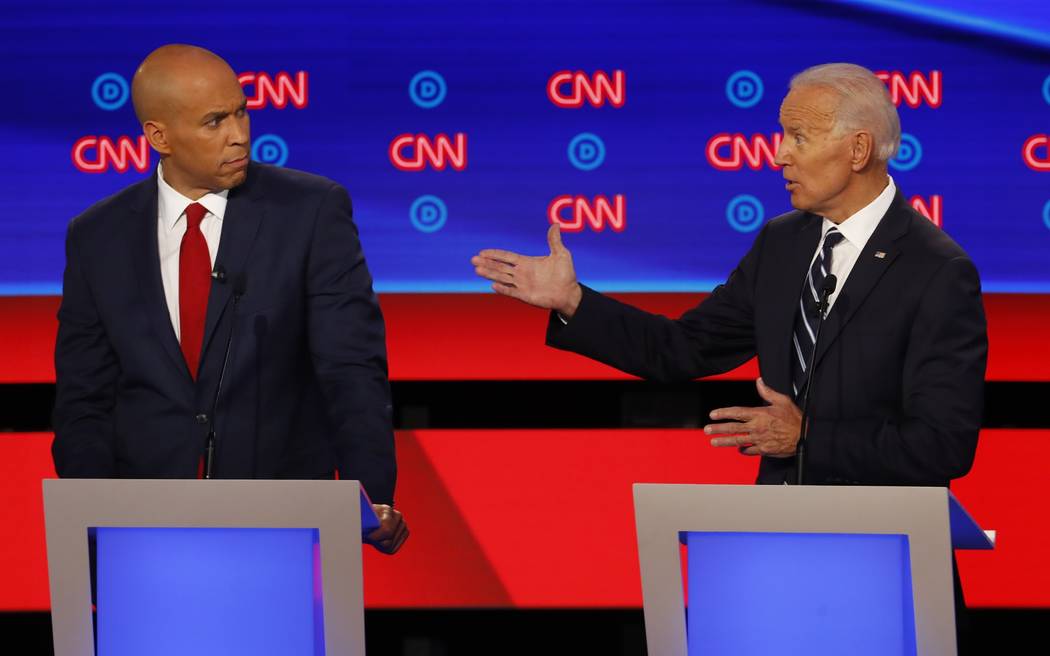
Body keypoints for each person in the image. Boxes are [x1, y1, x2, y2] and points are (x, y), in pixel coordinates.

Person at [472, 63, 986, 641]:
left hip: (885, 577)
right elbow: (682, 348)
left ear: (858, 149)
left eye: (798, 137)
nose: (779, 155)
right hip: (774, 568)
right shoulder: (782, 243)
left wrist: (807, 436)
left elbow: (943, 445)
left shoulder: (937, 270)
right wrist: (573, 301)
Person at [52, 44, 407, 554]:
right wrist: (93, 524)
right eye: (214, 121)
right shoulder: (97, 237)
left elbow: (351, 369)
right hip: (144, 529)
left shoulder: (309, 212)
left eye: (241, 112)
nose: (239, 134)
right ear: (159, 136)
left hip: (283, 519)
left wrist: (373, 496)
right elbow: (84, 399)